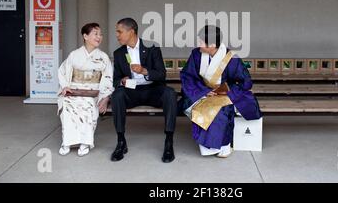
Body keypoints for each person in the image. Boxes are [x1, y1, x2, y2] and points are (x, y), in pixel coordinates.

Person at [180, 25, 262, 157]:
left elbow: (246, 82)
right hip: (202, 93)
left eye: (201, 42)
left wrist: (228, 91)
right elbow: (187, 76)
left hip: (223, 94)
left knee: (221, 111)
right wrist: (203, 91)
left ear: (212, 44)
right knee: (201, 108)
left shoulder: (230, 58)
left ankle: (223, 145)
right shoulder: (196, 54)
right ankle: (212, 147)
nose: (198, 45)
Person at [110, 18, 177, 163]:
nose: (117, 35)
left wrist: (144, 71)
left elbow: (161, 74)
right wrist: (122, 80)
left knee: (170, 93)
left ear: (131, 32)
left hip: (152, 90)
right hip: (132, 91)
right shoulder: (118, 53)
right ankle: (121, 142)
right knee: (117, 95)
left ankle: (169, 142)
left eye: (119, 31)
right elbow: (115, 79)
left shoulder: (152, 49)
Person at [57, 23, 114, 156]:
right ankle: (67, 141)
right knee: (67, 106)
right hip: (74, 90)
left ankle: (85, 142)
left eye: (100, 34)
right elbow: (62, 71)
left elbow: (107, 77)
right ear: (85, 36)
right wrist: (65, 86)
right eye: (95, 34)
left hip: (93, 92)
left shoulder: (103, 57)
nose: (99, 37)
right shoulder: (74, 55)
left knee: (88, 108)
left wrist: (105, 96)